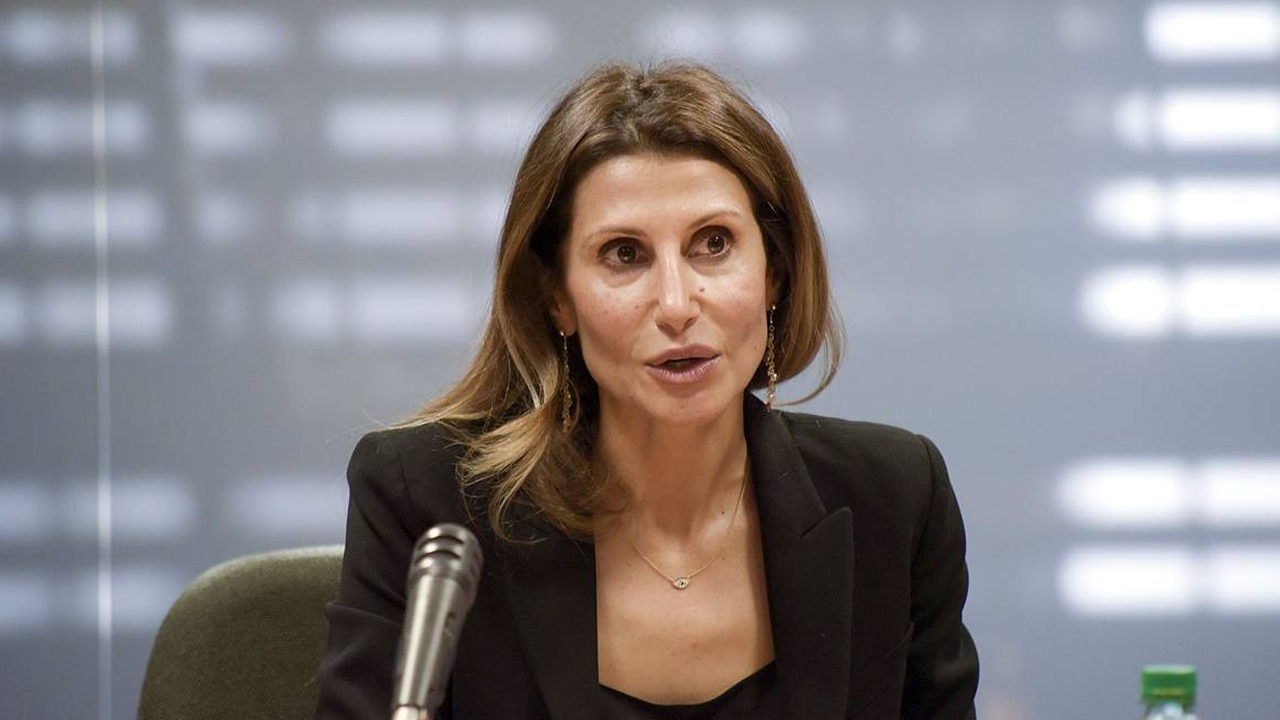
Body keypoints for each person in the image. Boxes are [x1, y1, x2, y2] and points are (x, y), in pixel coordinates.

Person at [314, 59, 978, 720]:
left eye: (713, 243)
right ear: (557, 298)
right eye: (624, 254)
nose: (676, 304)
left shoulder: (893, 500)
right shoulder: (427, 500)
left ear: (774, 273)